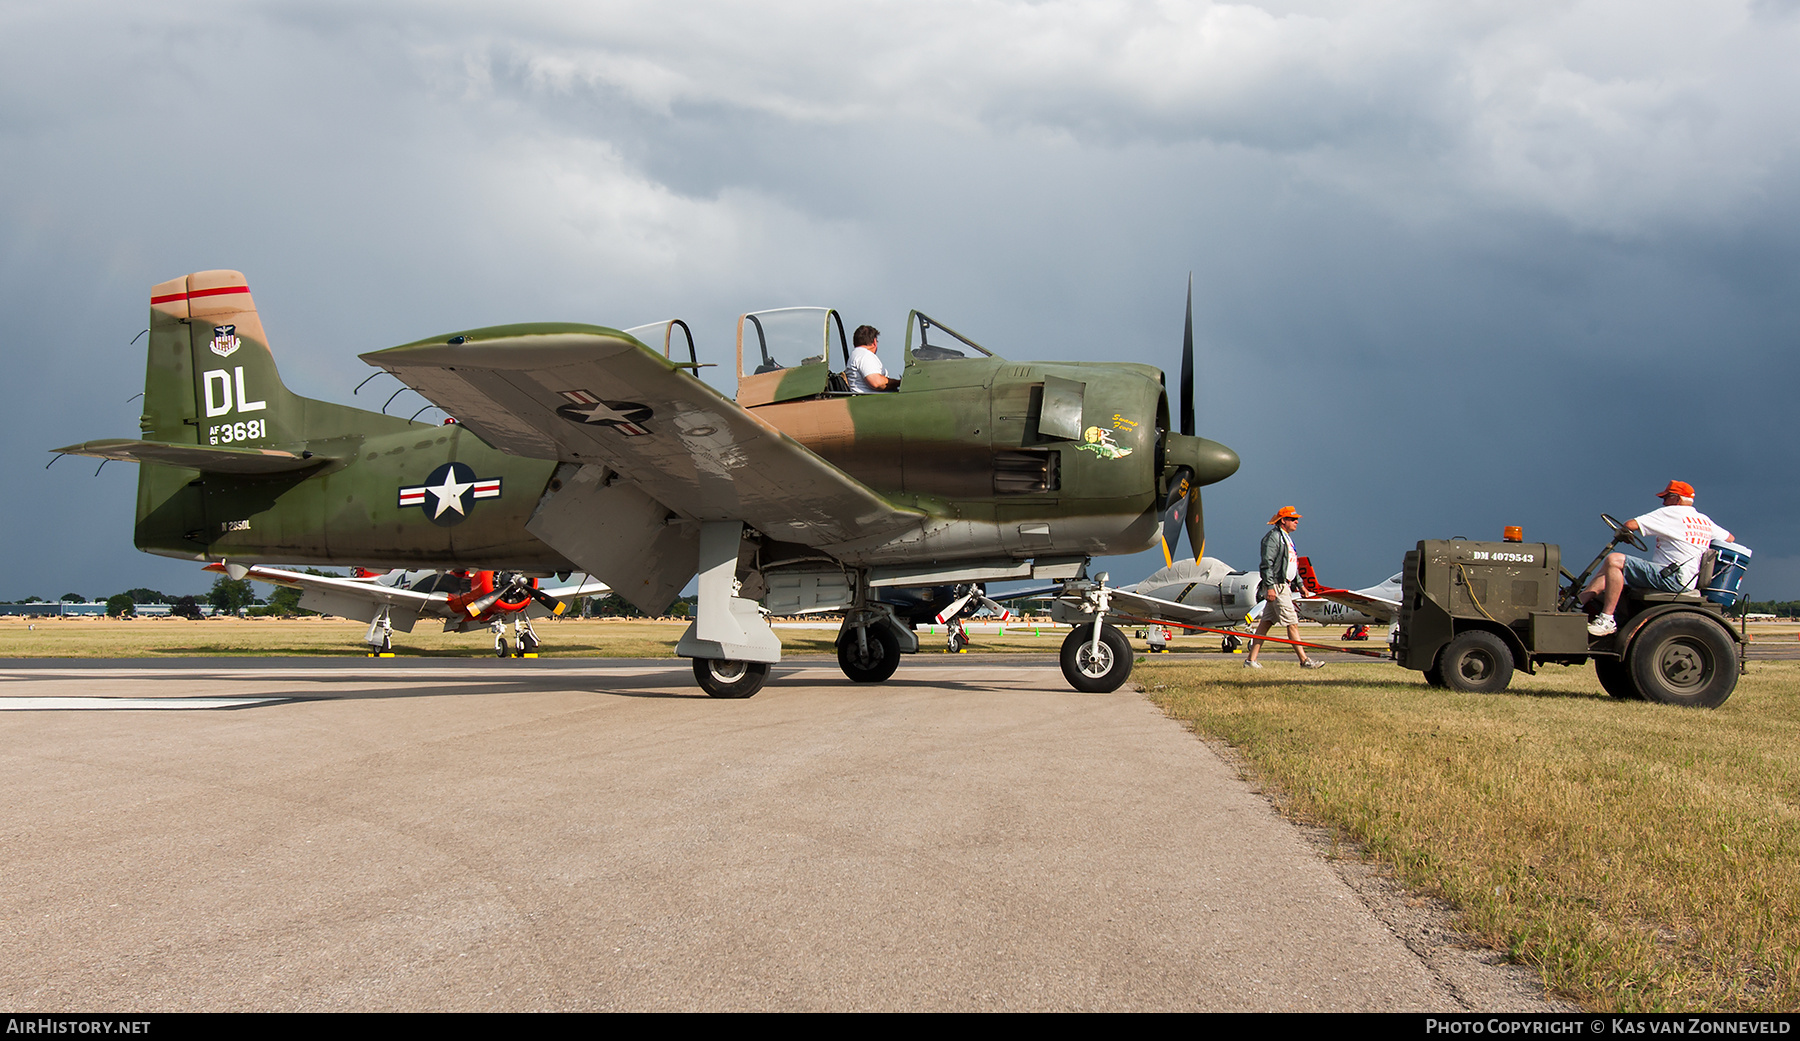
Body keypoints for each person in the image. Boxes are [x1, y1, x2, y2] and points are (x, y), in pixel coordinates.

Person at [1579, 480, 1732, 637]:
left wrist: (1625, 534)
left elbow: (1630, 524)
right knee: (1609, 568)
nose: (1664, 503)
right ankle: (1579, 603)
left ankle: (1607, 619)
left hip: (1672, 577)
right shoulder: (1704, 521)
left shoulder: (1672, 512)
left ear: (1676, 499)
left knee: (1614, 560)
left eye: (1665, 498)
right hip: (1687, 580)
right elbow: (1730, 539)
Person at [1245, 506, 1324, 669]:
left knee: (1265, 624)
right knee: (1292, 623)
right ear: (1283, 521)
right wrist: (1270, 587)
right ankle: (1304, 660)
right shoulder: (1273, 538)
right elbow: (1267, 564)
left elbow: (1291, 567)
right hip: (1278, 586)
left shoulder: (1286, 538)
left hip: (1285, 585)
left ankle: (1250, 661)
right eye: (1293, 519)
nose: (1296, 522)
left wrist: (1300, 586)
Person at [847, 325, 897, 393]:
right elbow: (877, 383)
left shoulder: (857, 354)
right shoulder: (864, 355)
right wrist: (900, 383)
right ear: (874, 341)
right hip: (874, 402)